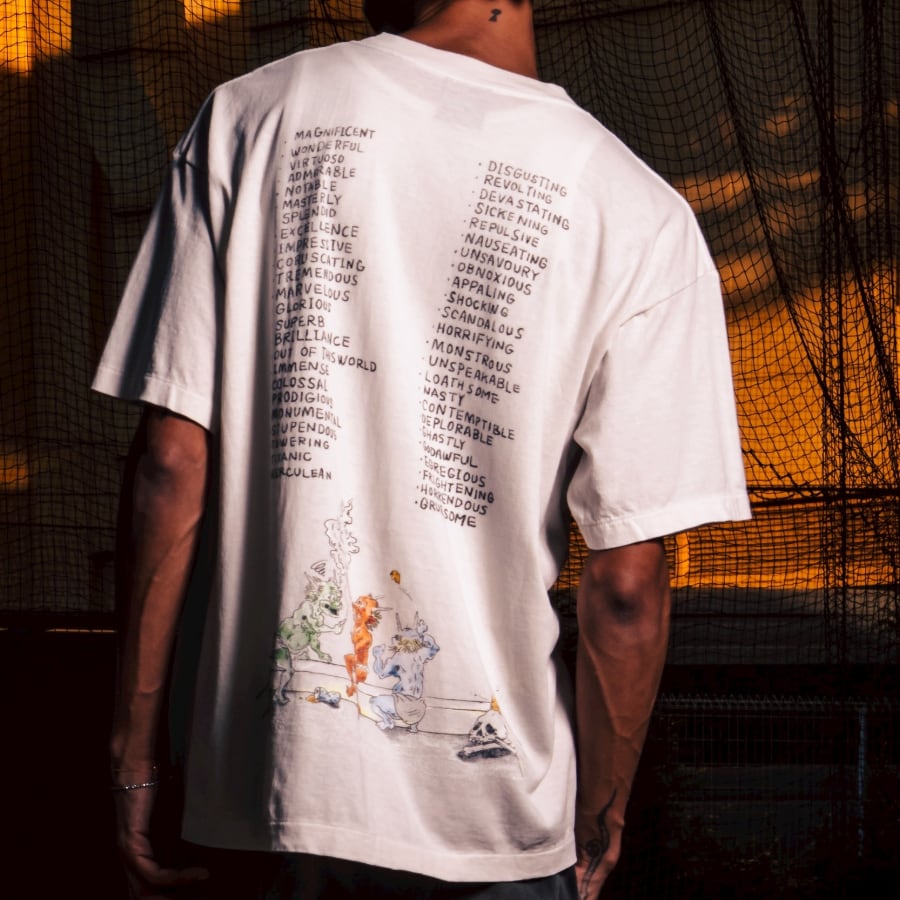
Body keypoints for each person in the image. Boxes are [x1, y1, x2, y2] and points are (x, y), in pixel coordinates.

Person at [94, 1, 751, 897]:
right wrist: (601, 817)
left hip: (259, 794)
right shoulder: (642, 214)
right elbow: (627, 587)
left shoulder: (251, 114)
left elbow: (172, 463)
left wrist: (134, 755)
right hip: (494, 825)